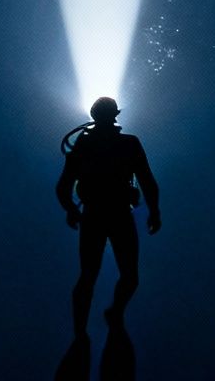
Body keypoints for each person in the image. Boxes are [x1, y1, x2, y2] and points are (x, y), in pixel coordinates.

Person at [55, 96, 161, 336]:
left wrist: (71, 209)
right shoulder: (128, 144)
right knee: (126, 276)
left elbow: (63, 187)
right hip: (116, 215)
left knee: (90, 276)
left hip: (95, 215)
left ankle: (81, 330)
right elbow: (147, 181)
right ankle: (110, 315)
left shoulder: (85, 146)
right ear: (116, 115)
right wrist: (154, 211)